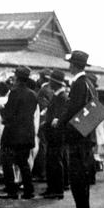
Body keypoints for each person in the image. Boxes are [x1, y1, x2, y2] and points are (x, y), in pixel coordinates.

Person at [53, 50, 95, 208]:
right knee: (81, 175)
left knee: (77, 174)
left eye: (70, 63)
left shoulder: (79, 83)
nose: (69, 66)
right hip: (85, 133)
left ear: (74, 65)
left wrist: (60, 122)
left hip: (77, 136)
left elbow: (72, 108)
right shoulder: (89, 83)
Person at [0, 66, 38, 200]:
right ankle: (29, 191)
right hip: (27, 134)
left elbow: (9, 115)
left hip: (13, 134)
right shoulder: (32, 94)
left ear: (17, 78)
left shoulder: (14, 92)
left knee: (7, 162)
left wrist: (2, 109)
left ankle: (11, 191)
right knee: (23, 163)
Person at [41, 70, 68, 199]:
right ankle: (52, 188)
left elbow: (59, 116)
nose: (49, 83)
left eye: (51, 80)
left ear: (56, 83)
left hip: (56, 134)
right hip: (54, 134)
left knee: (55, 161)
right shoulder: (58, 96)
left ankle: (57, 189)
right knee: (52, 161)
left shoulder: (61, 97)